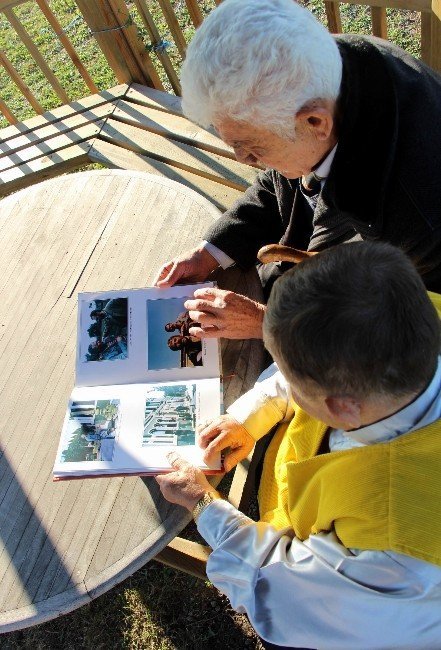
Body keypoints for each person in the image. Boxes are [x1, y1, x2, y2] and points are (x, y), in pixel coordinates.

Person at [156, 241, 441, 649]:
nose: (282, 376)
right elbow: (307, 365)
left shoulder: (398, 556)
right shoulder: (411, 310)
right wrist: (247, 416)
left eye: (290, 373)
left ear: (342, 408)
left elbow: (278, 590)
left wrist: (202, 503)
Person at [153, 0, 441, 341]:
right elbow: (278, 181)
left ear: (315, 122)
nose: (243, 159)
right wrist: (211, 251)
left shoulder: (415, 219)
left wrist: (267, 323)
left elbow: (394, 327)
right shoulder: (317, 73)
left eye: (251, 147)